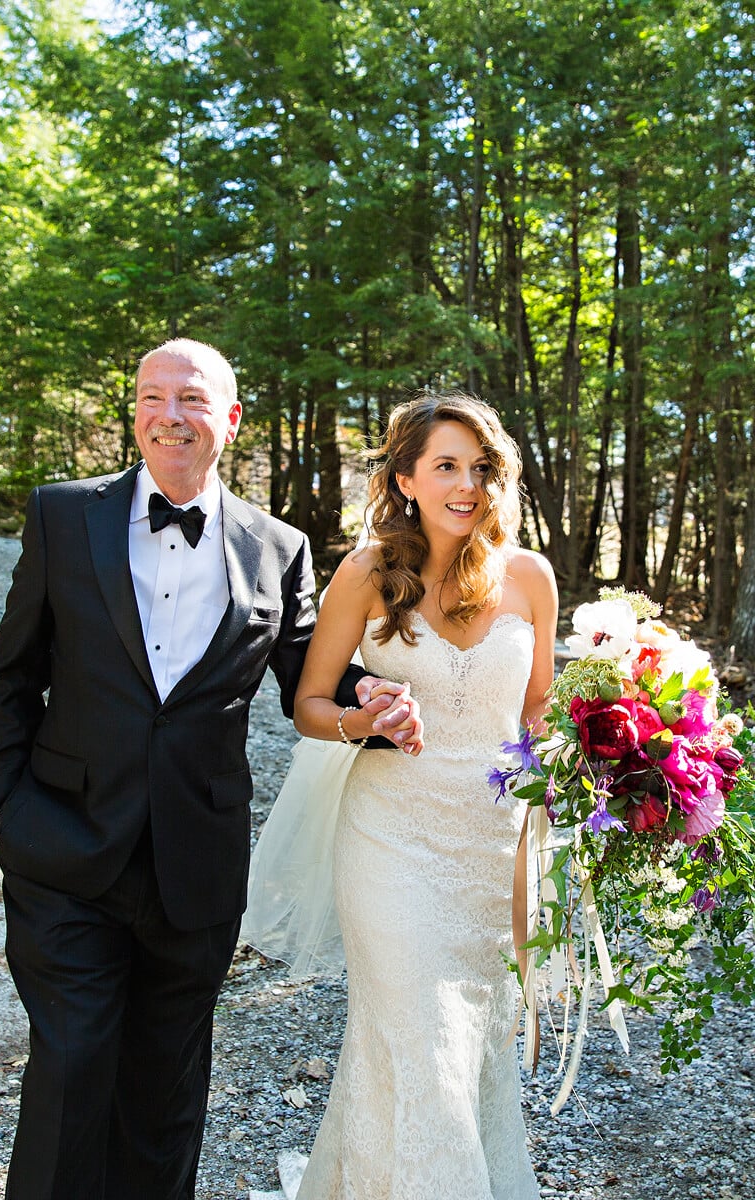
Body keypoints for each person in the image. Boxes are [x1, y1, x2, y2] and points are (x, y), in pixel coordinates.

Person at [0, 337, 422, 1200]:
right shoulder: (63, 515)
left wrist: (382, 701)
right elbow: (11, 677)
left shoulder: (279, 546)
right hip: (65, 851)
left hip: (196, 865)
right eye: (151, 397)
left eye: (189, 398)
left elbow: (308, 674)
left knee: (166, 1090)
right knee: (70, 1072)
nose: (167, 415)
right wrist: (9, 811)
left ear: (231, 418)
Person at [259, 389, 558, 1199]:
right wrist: (364, 717)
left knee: (463, 1048)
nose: (467, 484)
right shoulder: (365, 575)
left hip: (491, 851)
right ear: (405, 480)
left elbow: (538, 713)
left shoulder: (531, 578)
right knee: (419, 1035)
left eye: (482, 467)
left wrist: (590, 755)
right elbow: (309, 705)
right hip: (391, 840)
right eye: (447, 466)